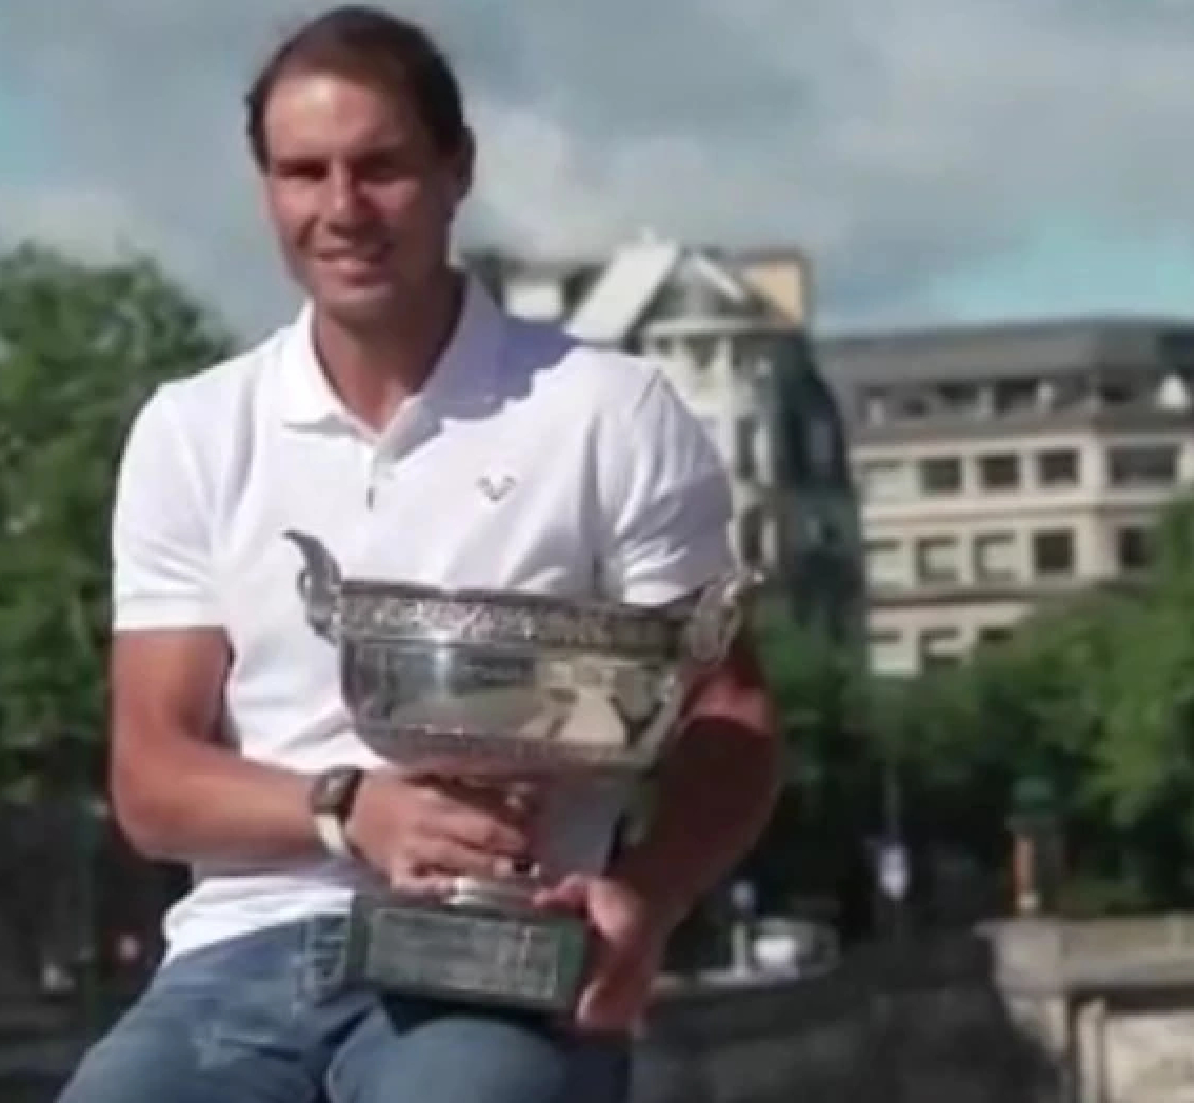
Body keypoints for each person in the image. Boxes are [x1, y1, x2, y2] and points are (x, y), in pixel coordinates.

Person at [54, 7, 781, 1102]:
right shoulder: (192, 429)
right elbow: (150, 776)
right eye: (304, 173)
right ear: (266, 190)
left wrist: (646, 893)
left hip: (499, 956)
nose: (341, 209)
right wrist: (350, 807)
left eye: (379, 167)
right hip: (241, 958)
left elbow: (727, 716)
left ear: (456, 169)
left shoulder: (605, 412)